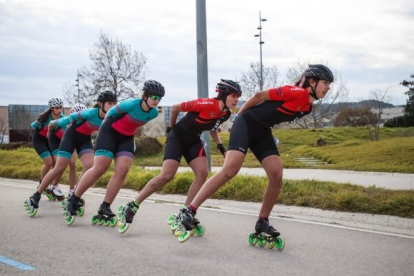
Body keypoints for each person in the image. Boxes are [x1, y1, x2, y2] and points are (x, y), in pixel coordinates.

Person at [178, 64, 334, 246]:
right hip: (246, 123)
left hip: (262, 132)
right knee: (229, 170)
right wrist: (239, 116)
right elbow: (260, 96)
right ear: (312, 82)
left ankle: (263, 221)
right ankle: (189, 210)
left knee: (276, 174)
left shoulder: (307, 107)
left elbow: (273, 115)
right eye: (325, 83)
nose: (328, 88)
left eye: (329, 84)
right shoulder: (294, 92)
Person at [117, 79, 242, 234]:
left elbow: (213, 127)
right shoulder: (206, 104)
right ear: (223, 95)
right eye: (234, 95)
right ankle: (132, 206)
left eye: (238, 96)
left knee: (202, 173)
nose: (237, 99)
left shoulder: (225, 114)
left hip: (193, 140)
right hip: (177, 137)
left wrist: (220, 145)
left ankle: (186, 213)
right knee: (166, 176)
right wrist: (170, 128)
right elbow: (176, 108)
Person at [65, 80, 165, 227]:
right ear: (145, 95)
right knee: (100, 168)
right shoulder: (131, 104)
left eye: (159, 98)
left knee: (123, 169)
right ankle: (74, 198)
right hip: (109, 132)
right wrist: (104, 134)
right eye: (154, 97)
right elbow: (110, 114)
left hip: (126, 137)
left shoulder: (154, 113)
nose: (157, 101)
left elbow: (133, 124)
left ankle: (105, 206)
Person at [23, 92, 117, 217]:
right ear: (101, 104)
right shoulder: (90, 113)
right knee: (59, 167)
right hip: (71, 137)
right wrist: (54, 123)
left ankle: (74, 196)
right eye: (109, 103)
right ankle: (36, 196)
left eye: (114, 103)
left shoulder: (111, 117)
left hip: (85, 140)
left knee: (89, 166)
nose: (112, 106)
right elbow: (70, 118)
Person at [46, 103, 87, 201]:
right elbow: (51, 124)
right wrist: (48, 132)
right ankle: (54, 185)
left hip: (68, 141)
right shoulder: (65, 120)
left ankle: (72, 190)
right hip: (55, 140)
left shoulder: (85, 121)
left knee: (73, 164)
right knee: (60, 165)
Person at [30, 98, 65, 199]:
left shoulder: (62, 118)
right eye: (57, 108)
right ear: (52, 109)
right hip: (39, 140)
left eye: (61, 108)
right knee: (48, 162)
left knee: (56, 163)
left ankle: (53, 186)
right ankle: (42, 184)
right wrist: (38, 123)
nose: (59, 110)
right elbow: (32, 126)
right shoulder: (44, 117)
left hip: (50, 141)